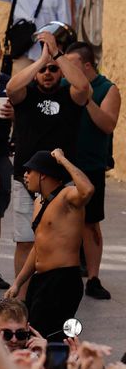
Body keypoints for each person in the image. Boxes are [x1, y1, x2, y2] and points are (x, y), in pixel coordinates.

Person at [5, 30, 90, 283]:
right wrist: (41, 60)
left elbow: (83, 85)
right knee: (24, 241)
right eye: (44, 70)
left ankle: (50, 287)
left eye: (54, 69)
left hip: (61, 182)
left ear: (61, 71)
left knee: (61, 239)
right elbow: (11, 87)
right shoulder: (26, 95)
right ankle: (21, 296)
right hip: (26, 178)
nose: (48, 73)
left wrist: (56, 54)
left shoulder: (70, 96)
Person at [6, 149, 94, 339]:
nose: (26, 176)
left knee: (48, 339)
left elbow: (87, 190)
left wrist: (62, 160)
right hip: (41, 281)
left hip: (62, 281)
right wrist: (18, 283)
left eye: (30, 171)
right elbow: (37, 247)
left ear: (43, 175)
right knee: (32, 335)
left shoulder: (67, 196)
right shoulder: (39, 202)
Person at [66, 42, 120, 301]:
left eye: (71, 64)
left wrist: (87, 100)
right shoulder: (63, 86)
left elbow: (108, 124)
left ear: (87, 65)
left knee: (90, 224)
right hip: (64, 163)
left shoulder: (107, 89)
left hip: (91, 164)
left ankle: (94, 277)